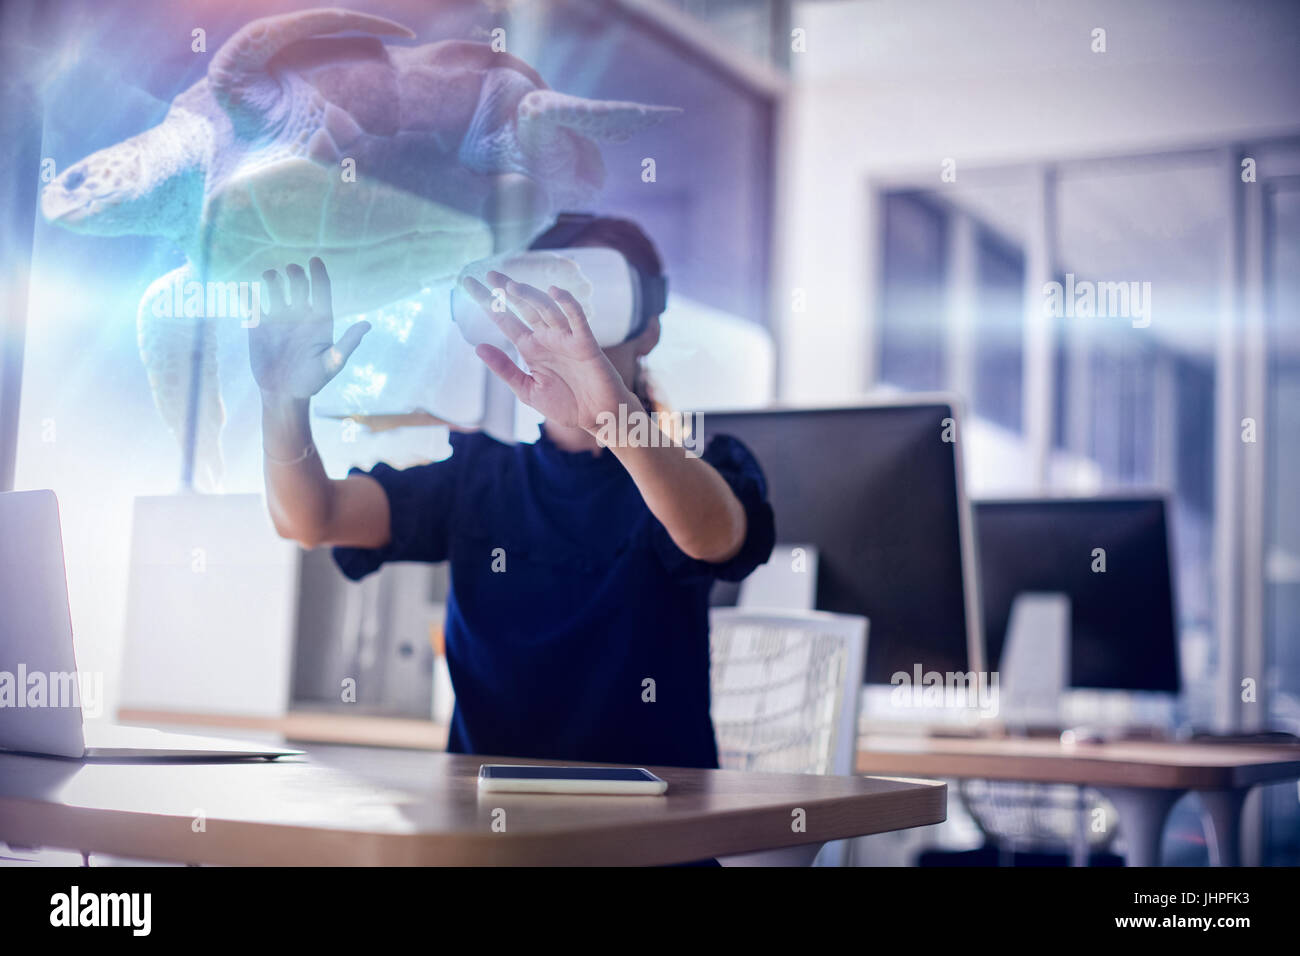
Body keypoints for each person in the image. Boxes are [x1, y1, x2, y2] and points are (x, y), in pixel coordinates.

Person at [250, 215, 774, 770]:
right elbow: (311, 518)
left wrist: (616, 421)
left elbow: (714, 536)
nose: (573, 330)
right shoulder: (478, 481)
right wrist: (282, 405)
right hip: (490, 832)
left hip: (654, 831)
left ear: (649, 327)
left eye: (592, 302)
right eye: (549, 302)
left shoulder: (696, 471)